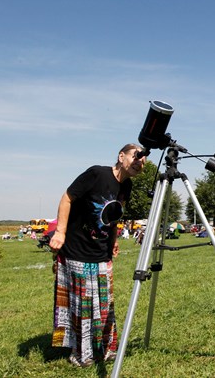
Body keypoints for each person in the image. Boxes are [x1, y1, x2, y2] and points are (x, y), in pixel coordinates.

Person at [49, 143, 146, 367]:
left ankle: (106, 349)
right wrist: (60, 232)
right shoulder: (96, 174)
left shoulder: (127, 186)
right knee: (83, 306)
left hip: (101, 252)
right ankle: (81, 354)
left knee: (104, 303)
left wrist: (113, 242)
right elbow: (67, 198)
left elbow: (114, 215)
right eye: (136, 156)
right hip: (76, 249)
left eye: (143, 161)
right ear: (121, 156)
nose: (139, 162)